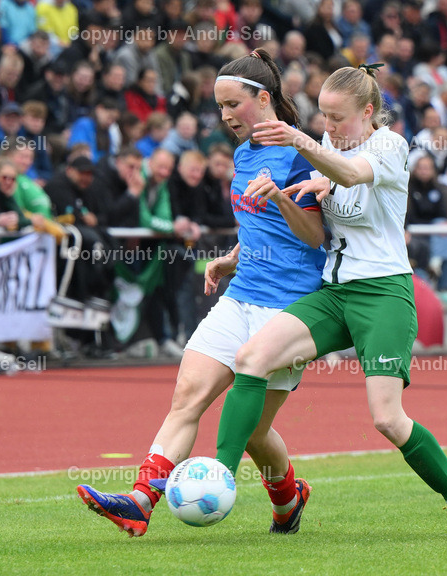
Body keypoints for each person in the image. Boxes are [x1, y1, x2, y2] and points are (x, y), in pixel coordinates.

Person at [214, 63, 447, 539]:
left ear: (368, 112)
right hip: (333, 293)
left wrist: (305, 147)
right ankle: (217, 475)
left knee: (387, 418)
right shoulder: (326, 146)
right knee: (251, 357)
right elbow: (304, 214)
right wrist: (237, 254)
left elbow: (350, 171)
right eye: (321, 117)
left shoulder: (389, 144)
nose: (328, 128)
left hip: (383, 293)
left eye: (338, 118)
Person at [77, 48, 326, 537]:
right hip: (241, 295)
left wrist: (278, 195)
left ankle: (287, 495)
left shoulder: (302, 153)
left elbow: (314, 236)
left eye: (233, 104)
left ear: (263, 97)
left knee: (254, 432)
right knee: (187, 397)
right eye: (219, 107)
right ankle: (140, 500)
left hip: (289, 309)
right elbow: (259, 225)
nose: (225, 116)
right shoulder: (243, 152)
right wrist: (233, 256)